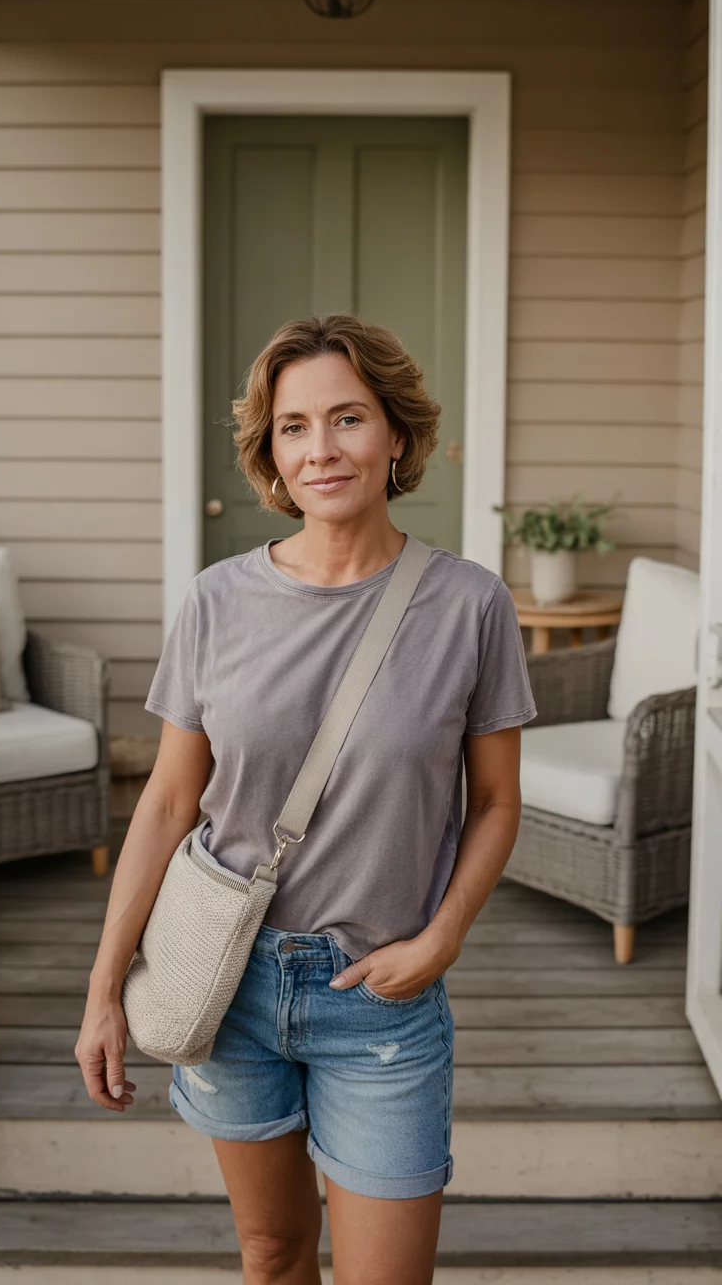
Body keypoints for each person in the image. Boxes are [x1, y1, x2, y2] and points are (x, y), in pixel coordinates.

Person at [75, 313, 537, 1285]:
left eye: (348, 418)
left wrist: (444, 937)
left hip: (380, 990)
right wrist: (103, 988)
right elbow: (166, 802)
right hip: (224, 985)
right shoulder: (215, 602)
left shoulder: (469, 605)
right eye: (294, 426)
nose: (321, 448)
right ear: (270, 452)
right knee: (273, 1255)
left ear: (397, 435)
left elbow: (495, 802)